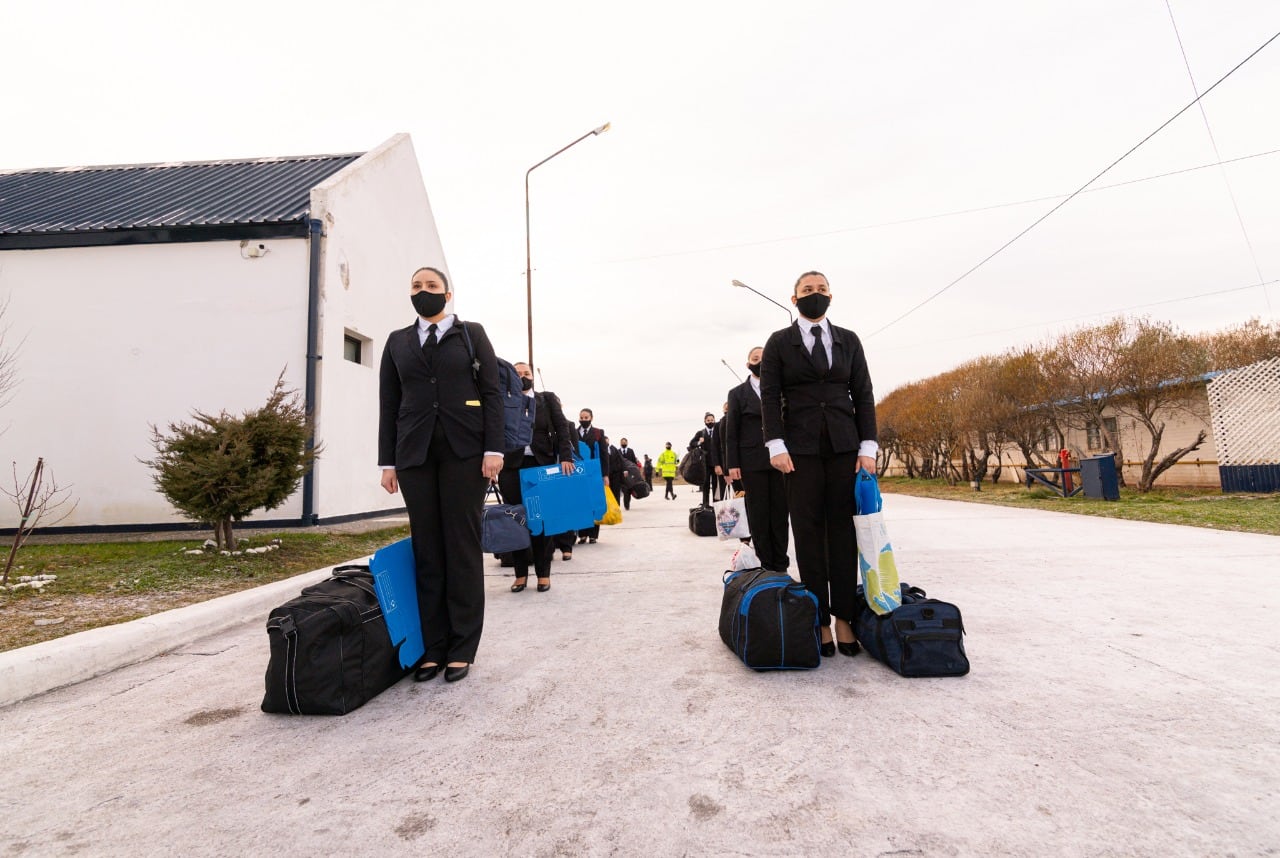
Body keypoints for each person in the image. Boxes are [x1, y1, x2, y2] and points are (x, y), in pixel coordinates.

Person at [379, 266, 504, 684]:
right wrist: (387, 462)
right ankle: (433, 647)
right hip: (414, 454)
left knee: (461, 546)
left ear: (447, 295)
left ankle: (462, 646)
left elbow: (491, 393)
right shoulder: (397, 341)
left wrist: (493, 449)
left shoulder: (471, 333)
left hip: (465, 452)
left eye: (431, 286)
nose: (423, 292)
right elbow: (389, 403)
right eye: (416, 286)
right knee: (428, 550)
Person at [760, 270, 877, 661]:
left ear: (831, 296)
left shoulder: (849, 340)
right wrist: (775, 444)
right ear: (794, 299)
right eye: (807, 290)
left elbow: (863, 393)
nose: (815, 295)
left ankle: (844, 616)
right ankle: (819, 620)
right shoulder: (779, 342)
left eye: (821, 290)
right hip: (799, 451)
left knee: (843, 532)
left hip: (844, 446)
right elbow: (770, 396)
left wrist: (868, 446)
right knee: (808, 532)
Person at [498, 362, 576, 593]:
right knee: (516, 521)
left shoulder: (546, 399)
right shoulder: (503, 399)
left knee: (540, 521)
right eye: (518, 374)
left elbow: (562, 428)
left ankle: (543, 573)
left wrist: (566, 457)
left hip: (540, 467)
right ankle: (520, 574)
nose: (523, 377)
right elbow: (493, 432)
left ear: (533, 376)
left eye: (526, 373)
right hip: (511, 467)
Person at [726, 346, 790, 573]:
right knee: (758, 513)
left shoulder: (782, 390)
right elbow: (731, 431)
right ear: (748, 364)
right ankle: (764, 564)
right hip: (751, 462)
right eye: (755, 359)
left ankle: (781, 564)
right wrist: (732, 464)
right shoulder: (737, 394)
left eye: (764, 359)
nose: (760, 362)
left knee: (781, 513)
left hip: (781, 461)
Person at [575, 408, 609, 544]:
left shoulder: (598, 433)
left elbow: (604, 455)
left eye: (586, 417)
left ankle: (593, 534)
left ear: (591, 418)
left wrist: (605, 474)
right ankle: (582, 534)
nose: (583, 420)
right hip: (579, 473)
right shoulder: (574, 432)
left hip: (594, 472)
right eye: (581, 418)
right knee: (581, 503)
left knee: (594, 502)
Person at [687, 413, 718, 507]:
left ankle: (716, 505)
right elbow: (691, 443)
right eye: (708, 420)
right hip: (705, 463)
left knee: (716, 486)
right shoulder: (701, 433)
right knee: (706, 485)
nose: (710, 422)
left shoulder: (718, 431)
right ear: (705, 421)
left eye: (712, 420)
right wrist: (699, 442)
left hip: (716, 463)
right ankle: (705, 505)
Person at [617, 437, 638, 510]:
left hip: (630, 474)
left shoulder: (630, 451)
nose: (623, 443)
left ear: (627, 443)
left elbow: (634, 462)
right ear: (620, 443)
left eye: (624, 442)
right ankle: (626, 505)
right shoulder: (618, 451)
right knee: (625, 490)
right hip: (621, 475)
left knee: (629, 490)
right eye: (622, 442)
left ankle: (627, 503)